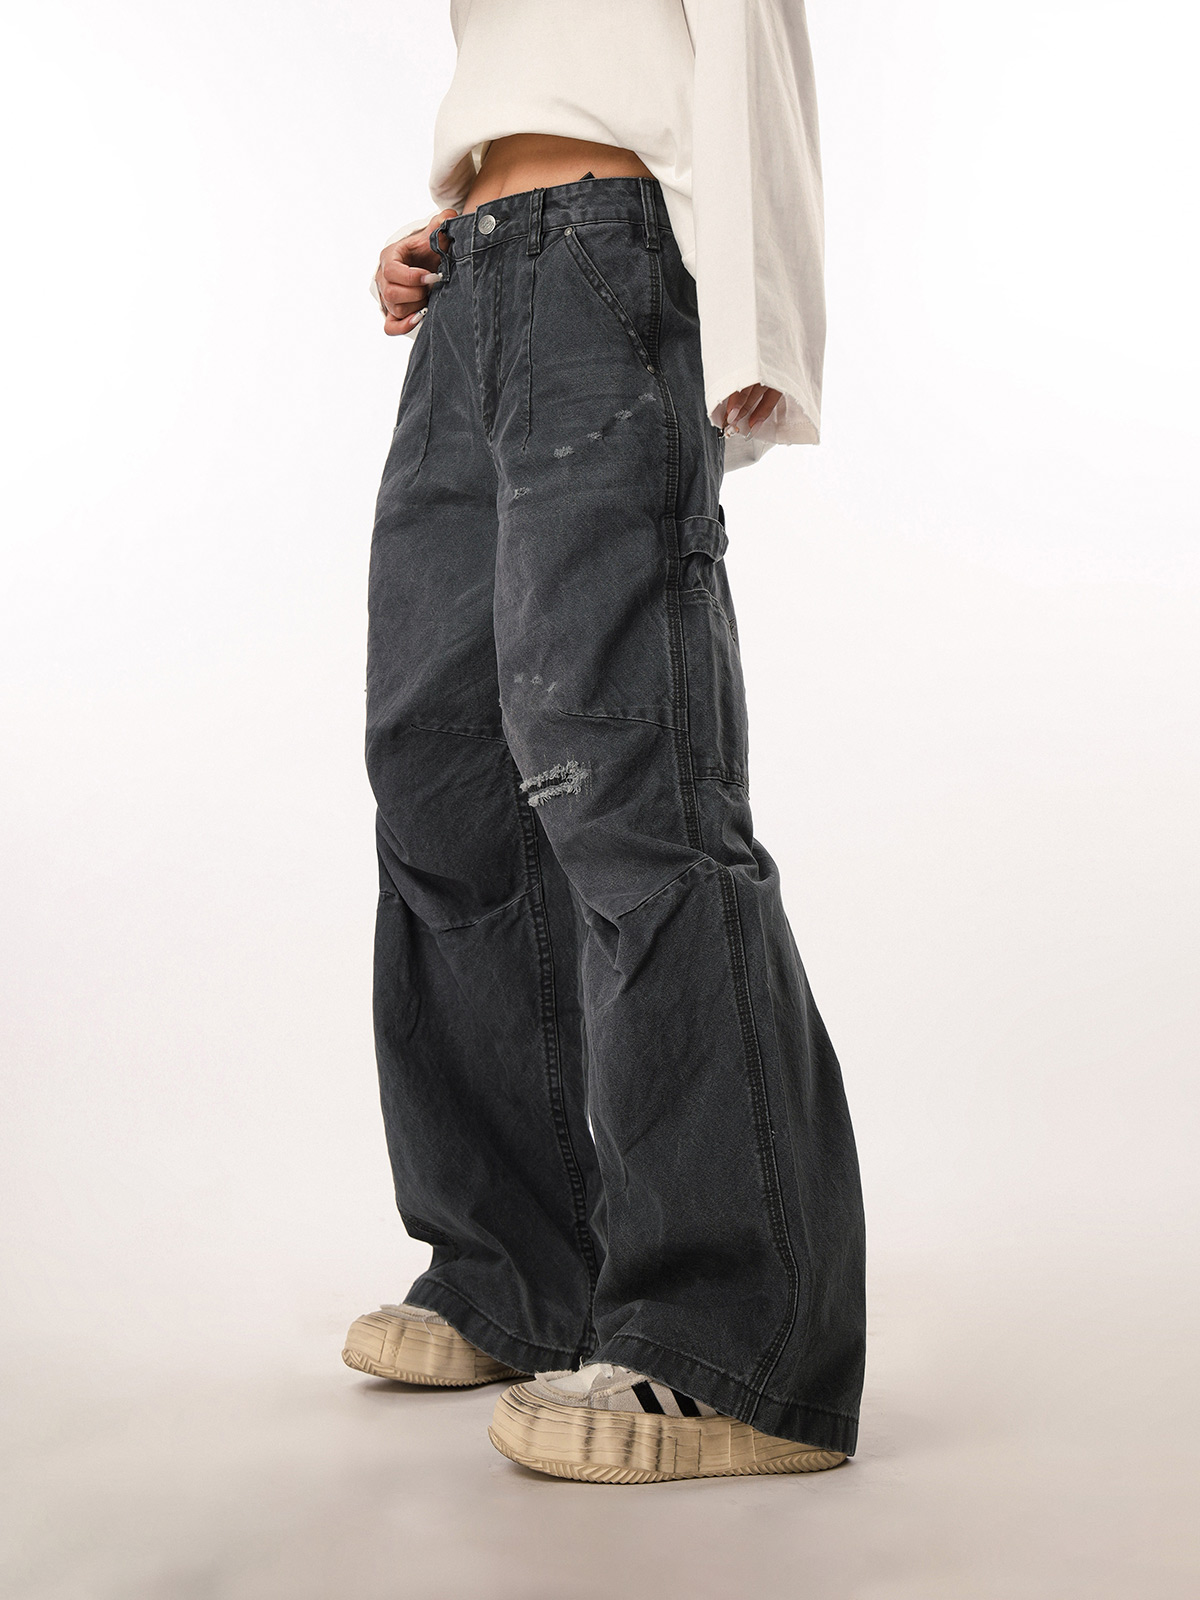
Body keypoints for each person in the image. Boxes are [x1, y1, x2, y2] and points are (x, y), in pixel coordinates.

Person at [342, 0, 866, 1484]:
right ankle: (518, 1274)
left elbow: (747, 44)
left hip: (611, 267)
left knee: (630, 783)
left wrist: (757, 317)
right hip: (476, 284)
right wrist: (452, 224)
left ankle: (736, 1348)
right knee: (441, 774)